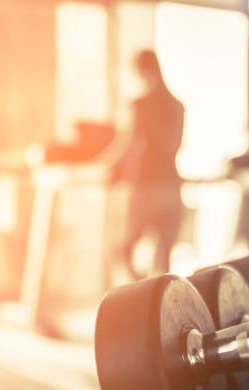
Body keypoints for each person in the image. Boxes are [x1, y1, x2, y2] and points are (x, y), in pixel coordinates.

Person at [110, 50, 185, 278]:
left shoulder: (140, 106)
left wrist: (112, 170)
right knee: (164, 262)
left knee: (124, 251)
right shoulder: (177, 106)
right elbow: (173, 145)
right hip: (171, 186)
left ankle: (140, 293)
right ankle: (158, 302)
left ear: (142, 71)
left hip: (147, 186)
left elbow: (129, 146)